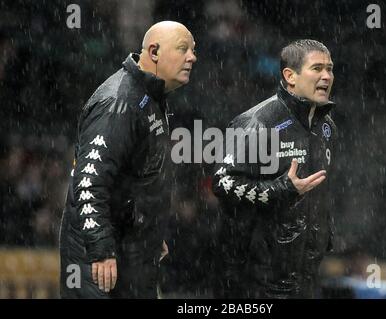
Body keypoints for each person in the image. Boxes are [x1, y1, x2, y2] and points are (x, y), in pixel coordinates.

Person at [59, 21, 197, 298]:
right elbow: (88, 185)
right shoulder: (118, 103)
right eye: (183, 49)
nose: (192, 57)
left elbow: (138, 177)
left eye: (194, 50)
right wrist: (101, 250)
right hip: (101, 260)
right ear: (154, 51)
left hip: (131, 248)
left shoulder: (150, 96)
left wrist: (149, 233)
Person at [213, 39, 336, 298]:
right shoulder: (256, 122)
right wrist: (281, 188)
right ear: (290, 76)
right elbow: (223, 183)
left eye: (330, 68)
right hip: (259, 283)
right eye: (317, 68)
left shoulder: (327, 127)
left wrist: (324, 233)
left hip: (306, 278)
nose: (327, 76)